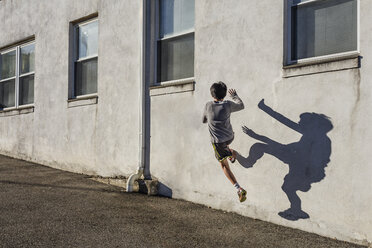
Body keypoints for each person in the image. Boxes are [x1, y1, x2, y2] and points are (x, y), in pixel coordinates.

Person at [202, 81, 246, 202]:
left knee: (223, 165)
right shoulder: (227, 104)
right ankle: (232, 155)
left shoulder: (208, 105)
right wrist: (235, 96)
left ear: (212, 95)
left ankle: (239, 189)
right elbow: (241, 105)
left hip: (218, 142)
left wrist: (211, 118)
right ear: (225, 94)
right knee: (227, 150)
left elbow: (203, 120)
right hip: (230, 137)